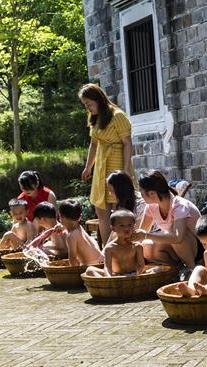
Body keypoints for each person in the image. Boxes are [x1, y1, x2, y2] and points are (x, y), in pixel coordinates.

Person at [79, 84, 134, 245]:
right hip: (101, 166)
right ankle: (107, 248)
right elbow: (94, 144)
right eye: (85, 104)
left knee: (119, 207)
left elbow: (127, 142)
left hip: (116, 162)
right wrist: (88, 167)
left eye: (88, 103)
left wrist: (125, 171)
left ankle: (124, 246)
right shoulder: (95, 118)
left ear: (98, 99)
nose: (87, 107)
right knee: (101, 209)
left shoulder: (117, 116)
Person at [134, 170, 200, 270]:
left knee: (173, 233)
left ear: (152, 193)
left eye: (142, 193)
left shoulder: (179, 206)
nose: (141, 196)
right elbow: (141, 235)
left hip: (197, 247)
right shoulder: (151, 207)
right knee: (146, 246)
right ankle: (176, 269)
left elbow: (178, 238)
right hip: (176, 246)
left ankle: (191, 269)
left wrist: (146, 235)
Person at [85, 210, 145, 277]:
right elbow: (107, 267)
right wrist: (109, 278)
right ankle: (108, 284)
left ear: (134, 226)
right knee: (90, 270)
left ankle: (111, 285)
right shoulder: (110, 248)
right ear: (113, 228)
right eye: (122, 225)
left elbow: (141, 265)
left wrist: (136, 276)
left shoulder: (137, 246)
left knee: (155, 269)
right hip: (116, 276)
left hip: (134, 274)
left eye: (130, 225)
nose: (126, 228)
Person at [56, 199, 103, 267]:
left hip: (90, 266)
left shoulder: (71, 236)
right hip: (101, 262)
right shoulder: (79, 228)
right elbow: (70, 226)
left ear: (60, 217)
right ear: (80, 217)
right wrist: (62, 226)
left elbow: (72, 259)